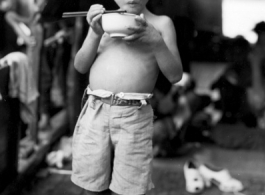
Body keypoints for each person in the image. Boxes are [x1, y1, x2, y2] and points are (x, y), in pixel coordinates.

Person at [71, 0, 183, 195]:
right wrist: (95, 32)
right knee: (91, 185)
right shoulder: (105, 20)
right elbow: (80, 66)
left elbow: (175, 76)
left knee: (128, 188)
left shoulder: (161, 24)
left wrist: (156, 41)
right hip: (96, 110)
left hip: (134, 116)